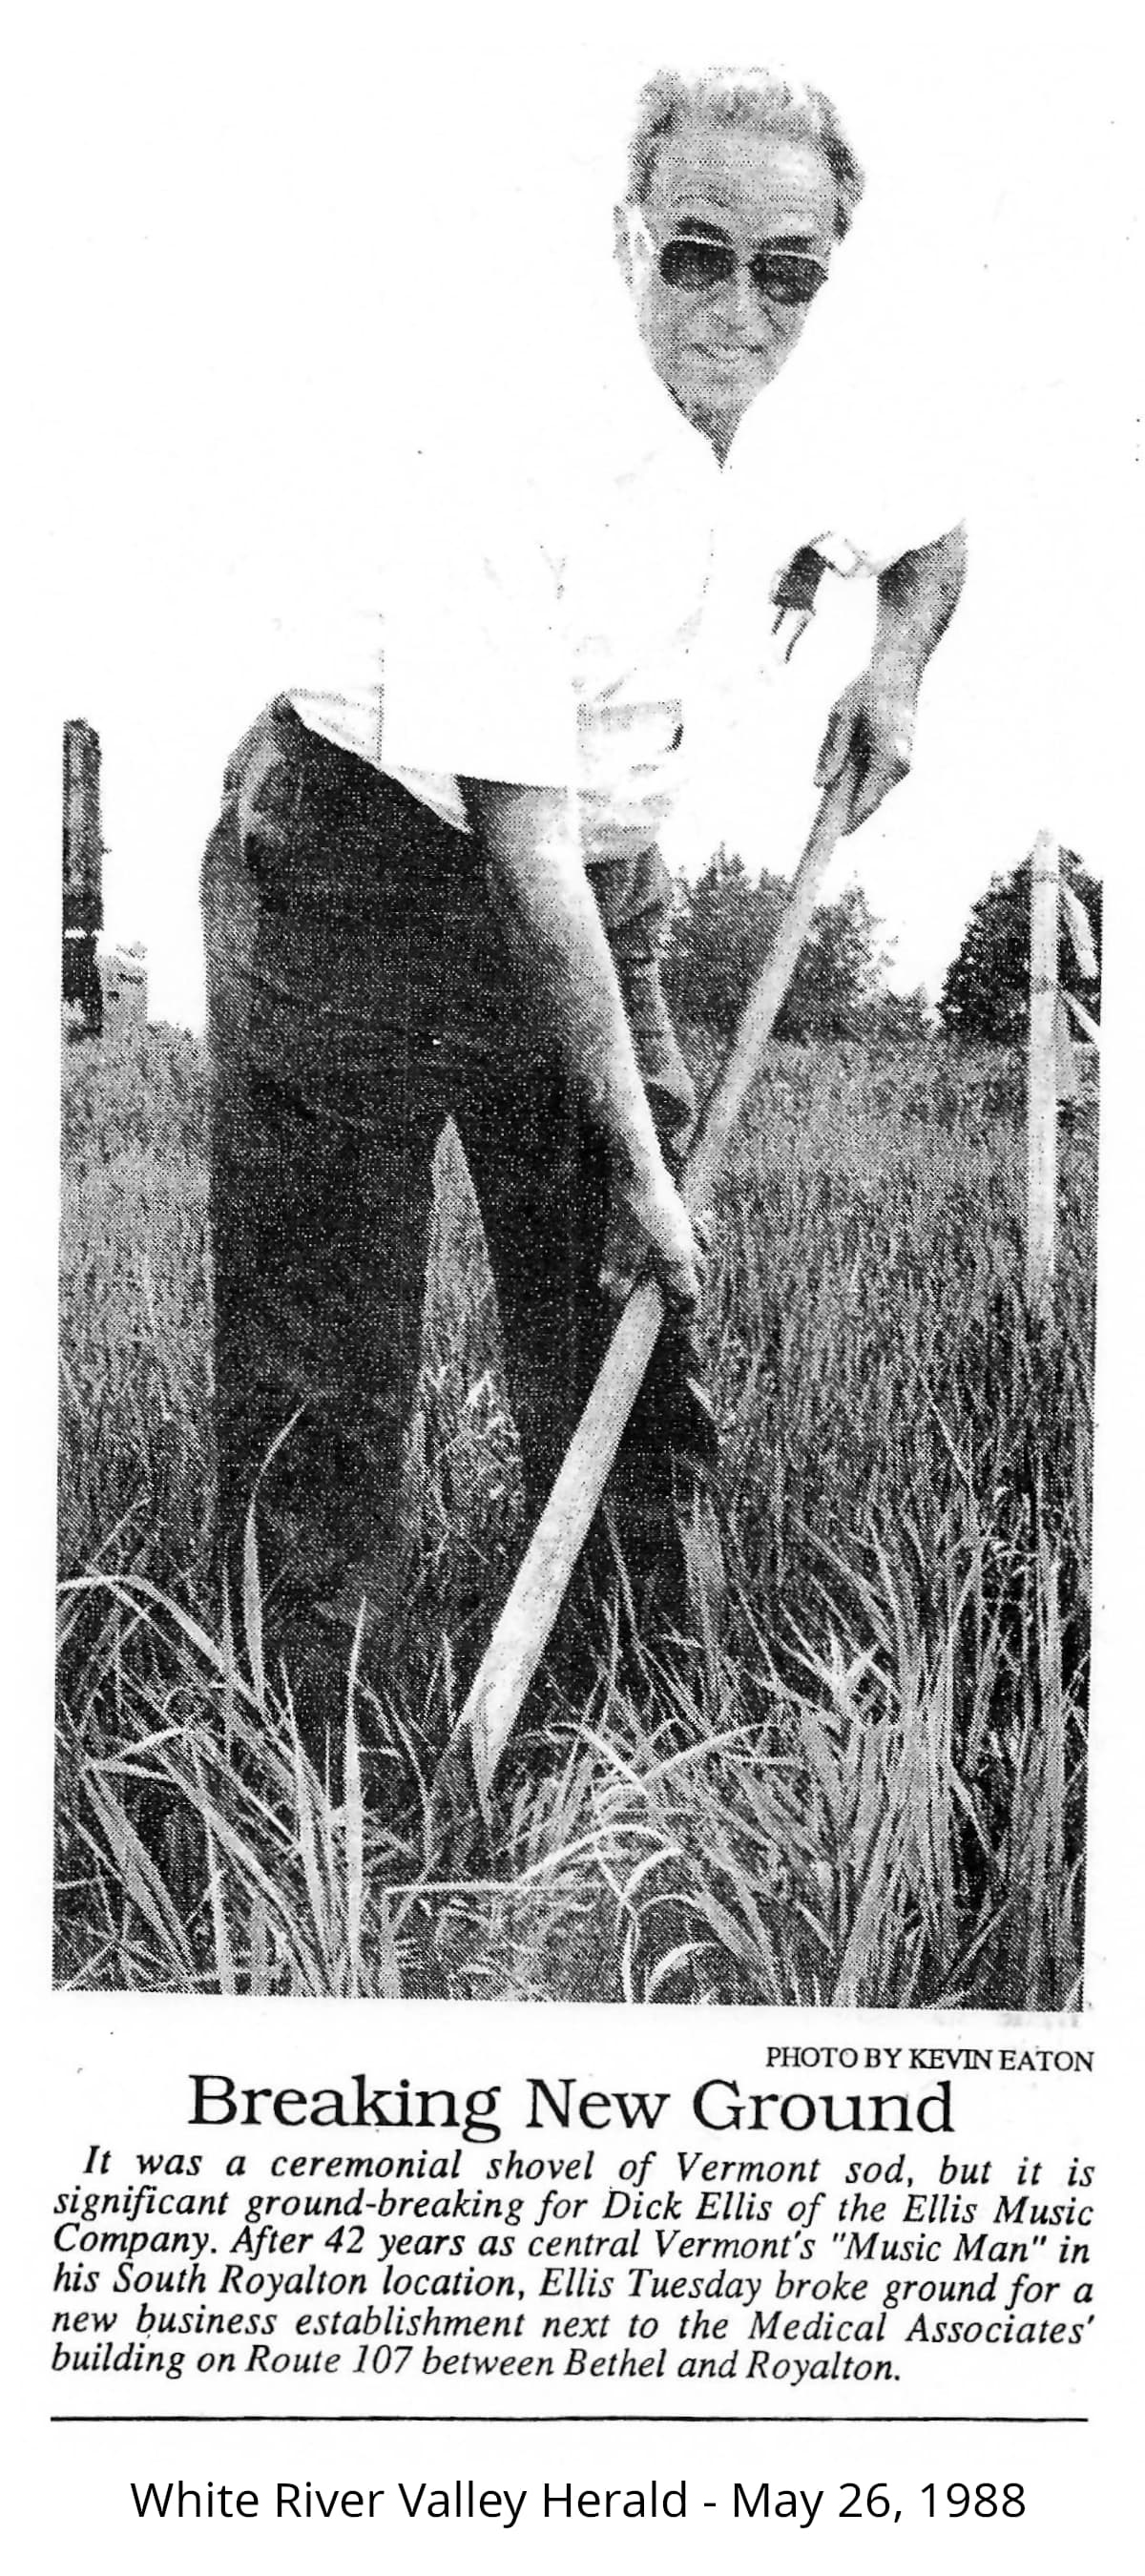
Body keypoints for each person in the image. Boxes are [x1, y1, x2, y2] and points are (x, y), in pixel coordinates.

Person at [200, 65, 966, 1787]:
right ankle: (303, 1795)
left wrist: (894, 676)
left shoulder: (831, 385)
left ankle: (642, 1750)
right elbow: (521, 852)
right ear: (627, 236)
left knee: (632, 1315)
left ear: (827, 270)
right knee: (328, 1366)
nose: (740, 308)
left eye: (787, 272)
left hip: (595, 869)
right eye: (697, 255)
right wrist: (633, 1153)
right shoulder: (515, 435)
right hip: (357, 868)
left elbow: (935, 540)